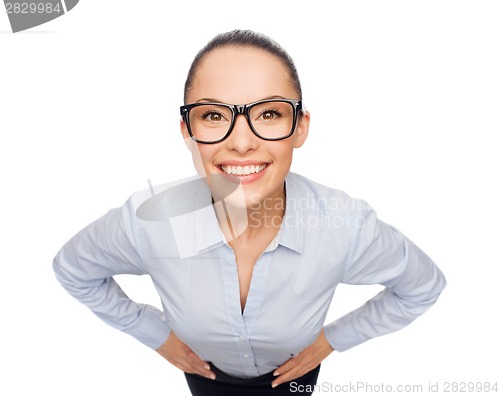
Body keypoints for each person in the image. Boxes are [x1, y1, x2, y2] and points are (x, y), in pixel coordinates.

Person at [53, 29, 447, 396]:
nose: (241, 142)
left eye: (269, 114)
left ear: (300, 127)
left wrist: (332, 341)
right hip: (204, 378)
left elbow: (421, 286)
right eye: (213, 116)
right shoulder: (147, 221)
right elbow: (74, 270)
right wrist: (154, 335)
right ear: (187, 131)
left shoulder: (346, 225)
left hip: (296, 379)